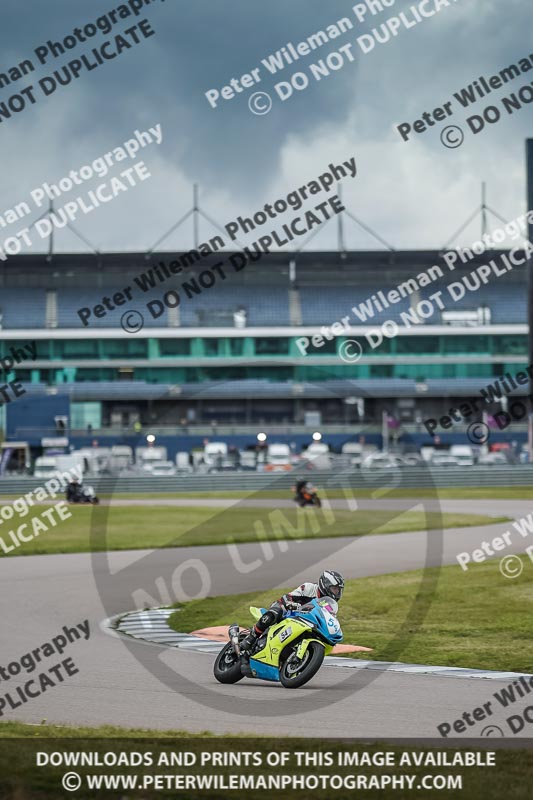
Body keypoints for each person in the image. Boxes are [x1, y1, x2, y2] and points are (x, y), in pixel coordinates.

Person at [240, 570, 345, 656]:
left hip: (305, 620)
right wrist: (291, 604)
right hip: (289, 610)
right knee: (275, 613)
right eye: (335, 589)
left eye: (339, 590)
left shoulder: (330, 604)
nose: (337, 593)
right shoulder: (309, 588)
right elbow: (288, 597)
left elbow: (327, 618)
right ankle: (252, 637)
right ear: (325, 585)